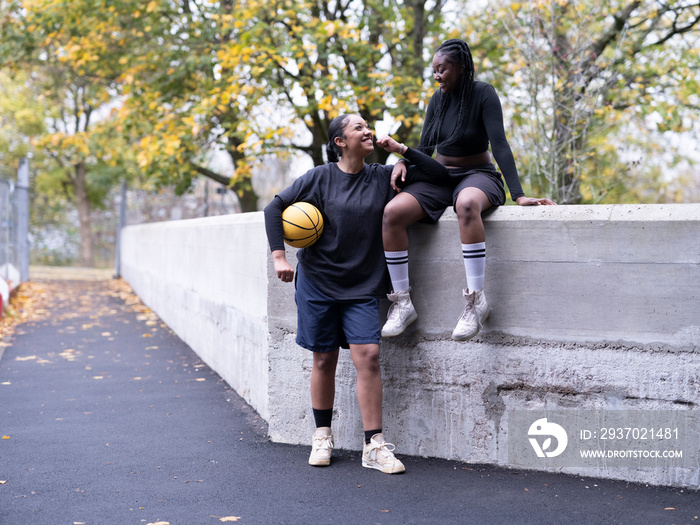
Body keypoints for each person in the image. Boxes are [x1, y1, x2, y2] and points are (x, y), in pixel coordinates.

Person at [263, 114, 446, 474]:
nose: (368, 131)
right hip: (318, 284)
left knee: (370, 358)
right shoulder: (319, 177)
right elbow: (274, 208)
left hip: (363, 286)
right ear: (340, 142)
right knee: (323, 359)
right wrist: (279, 256)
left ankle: (373, 446)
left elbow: (441, 177)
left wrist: (403, 157)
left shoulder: (382, 176)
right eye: (358, 128)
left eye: (368, 127)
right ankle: (322, 435)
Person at [380, 38, 556, 342]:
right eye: (434, 71)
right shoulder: (437, 100)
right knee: (392, 212)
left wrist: (519, 194)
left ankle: (475, 301)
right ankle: (403, 302)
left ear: (460, 67)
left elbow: (499, 143)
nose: (436, 76)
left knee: (466, 205)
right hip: (438, 177)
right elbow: (425, 147)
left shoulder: (483, 93)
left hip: (477, 174)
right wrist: (403, 163)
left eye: (442, 69)